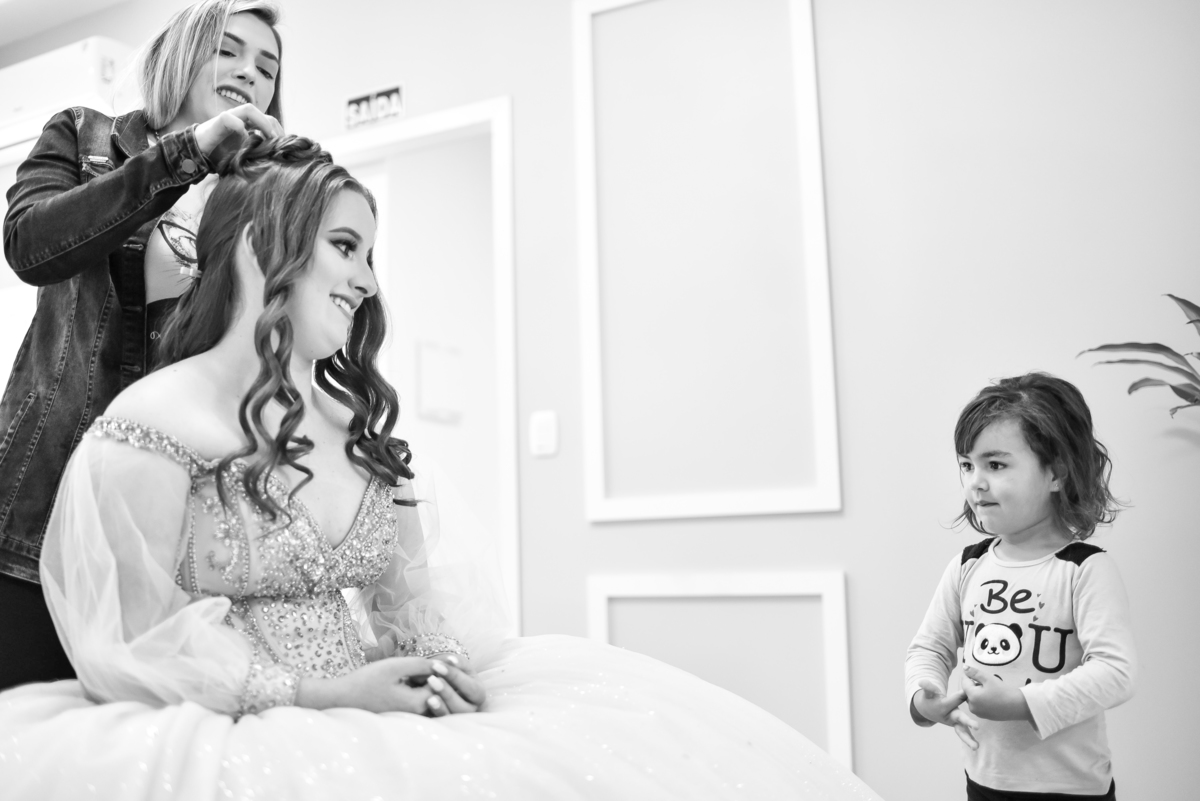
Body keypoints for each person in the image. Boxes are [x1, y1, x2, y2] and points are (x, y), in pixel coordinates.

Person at [0, 135, 882, 800]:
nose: (368, 282)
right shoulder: (151, 426)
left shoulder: (358, 429)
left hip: (380, 721)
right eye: (346, 247)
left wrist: (437, 669)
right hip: (238, 741)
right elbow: (132, 650)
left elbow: (412, 606)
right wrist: (327, 693)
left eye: (370, 256)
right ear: (262, 245)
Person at [0, 0, 285, 691]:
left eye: (268, 66)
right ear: (181, 54)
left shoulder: (258, 195)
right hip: (41, 507)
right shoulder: (84, 137)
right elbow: (31, 245)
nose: (250, 72)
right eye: (228, 50)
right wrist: (185, 156)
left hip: (176, 531)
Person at [905, 373, 1136, 800]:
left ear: (1056, 472)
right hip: (985, 783)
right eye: (967, 465)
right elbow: (930, 647)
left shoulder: (1083, 569)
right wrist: (924, 696)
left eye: (995, 465)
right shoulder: (968, 565)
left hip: (1071, 789)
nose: (975, 482)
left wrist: (1021, 704)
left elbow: (1115, 674)